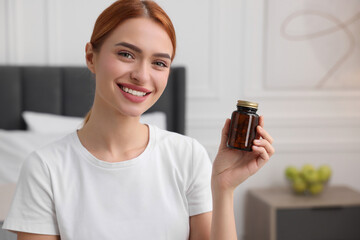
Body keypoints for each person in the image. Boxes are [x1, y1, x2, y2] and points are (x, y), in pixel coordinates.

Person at [2, 0, 275, 239]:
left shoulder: (187, 156)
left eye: (159, 63)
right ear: (91, 57)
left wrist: (223, 188)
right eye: (126, 54)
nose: (142, 76)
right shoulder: (45, 169)